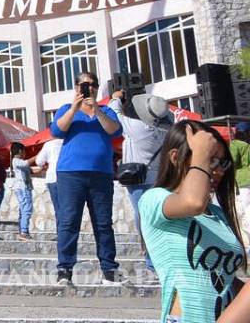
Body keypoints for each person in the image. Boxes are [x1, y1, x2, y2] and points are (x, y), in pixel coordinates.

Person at [139, 120, 243, 323]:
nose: (218, 170)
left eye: (222, 163)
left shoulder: (218, 215)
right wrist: (200, 153)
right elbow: (193, 202)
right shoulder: (154, 199)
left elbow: (227, 280)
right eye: (209, 159)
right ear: (176, 158)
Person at [49, 70, 122, 286]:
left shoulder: (107, 110)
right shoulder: (65, 110)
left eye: (91, 85)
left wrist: (97, 110)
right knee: (69, 221)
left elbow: (114, 131)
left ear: (97, 88)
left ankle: (109, 269)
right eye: (83, 84)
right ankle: (65, 269)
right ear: (76, 87)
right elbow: (56, 130)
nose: (88, 88)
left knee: (103, 223)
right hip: (71, 174)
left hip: (101, 173)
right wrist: (75, 107)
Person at [110, 89, 172, 275]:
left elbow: (114, 112)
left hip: (138, 179)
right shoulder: (168, 129)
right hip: (159, 178)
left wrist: (116, 98)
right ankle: (159, 257)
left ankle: (151, 260)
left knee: (143, 219)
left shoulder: (137, 127)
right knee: (157, 219)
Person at [9, 142, 42, 241]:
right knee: (26, 209)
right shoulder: (16, 161)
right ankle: (24, 232)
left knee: (23, 209)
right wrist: (38, 156)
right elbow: (26, 164)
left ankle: (22, 230)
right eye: (24, 151)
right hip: (23, 188)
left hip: (24, 188)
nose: (25, 153)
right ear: (20, 151)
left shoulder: (20, 162)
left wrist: (42, 168)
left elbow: (31, 170)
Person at [36, 136, 64, 220]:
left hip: (52, 178)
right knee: (69, 209)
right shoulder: (68, 142)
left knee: (58, 209)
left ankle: (61, 232)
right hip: (67, 177)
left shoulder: (48, 145)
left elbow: (39, 161)